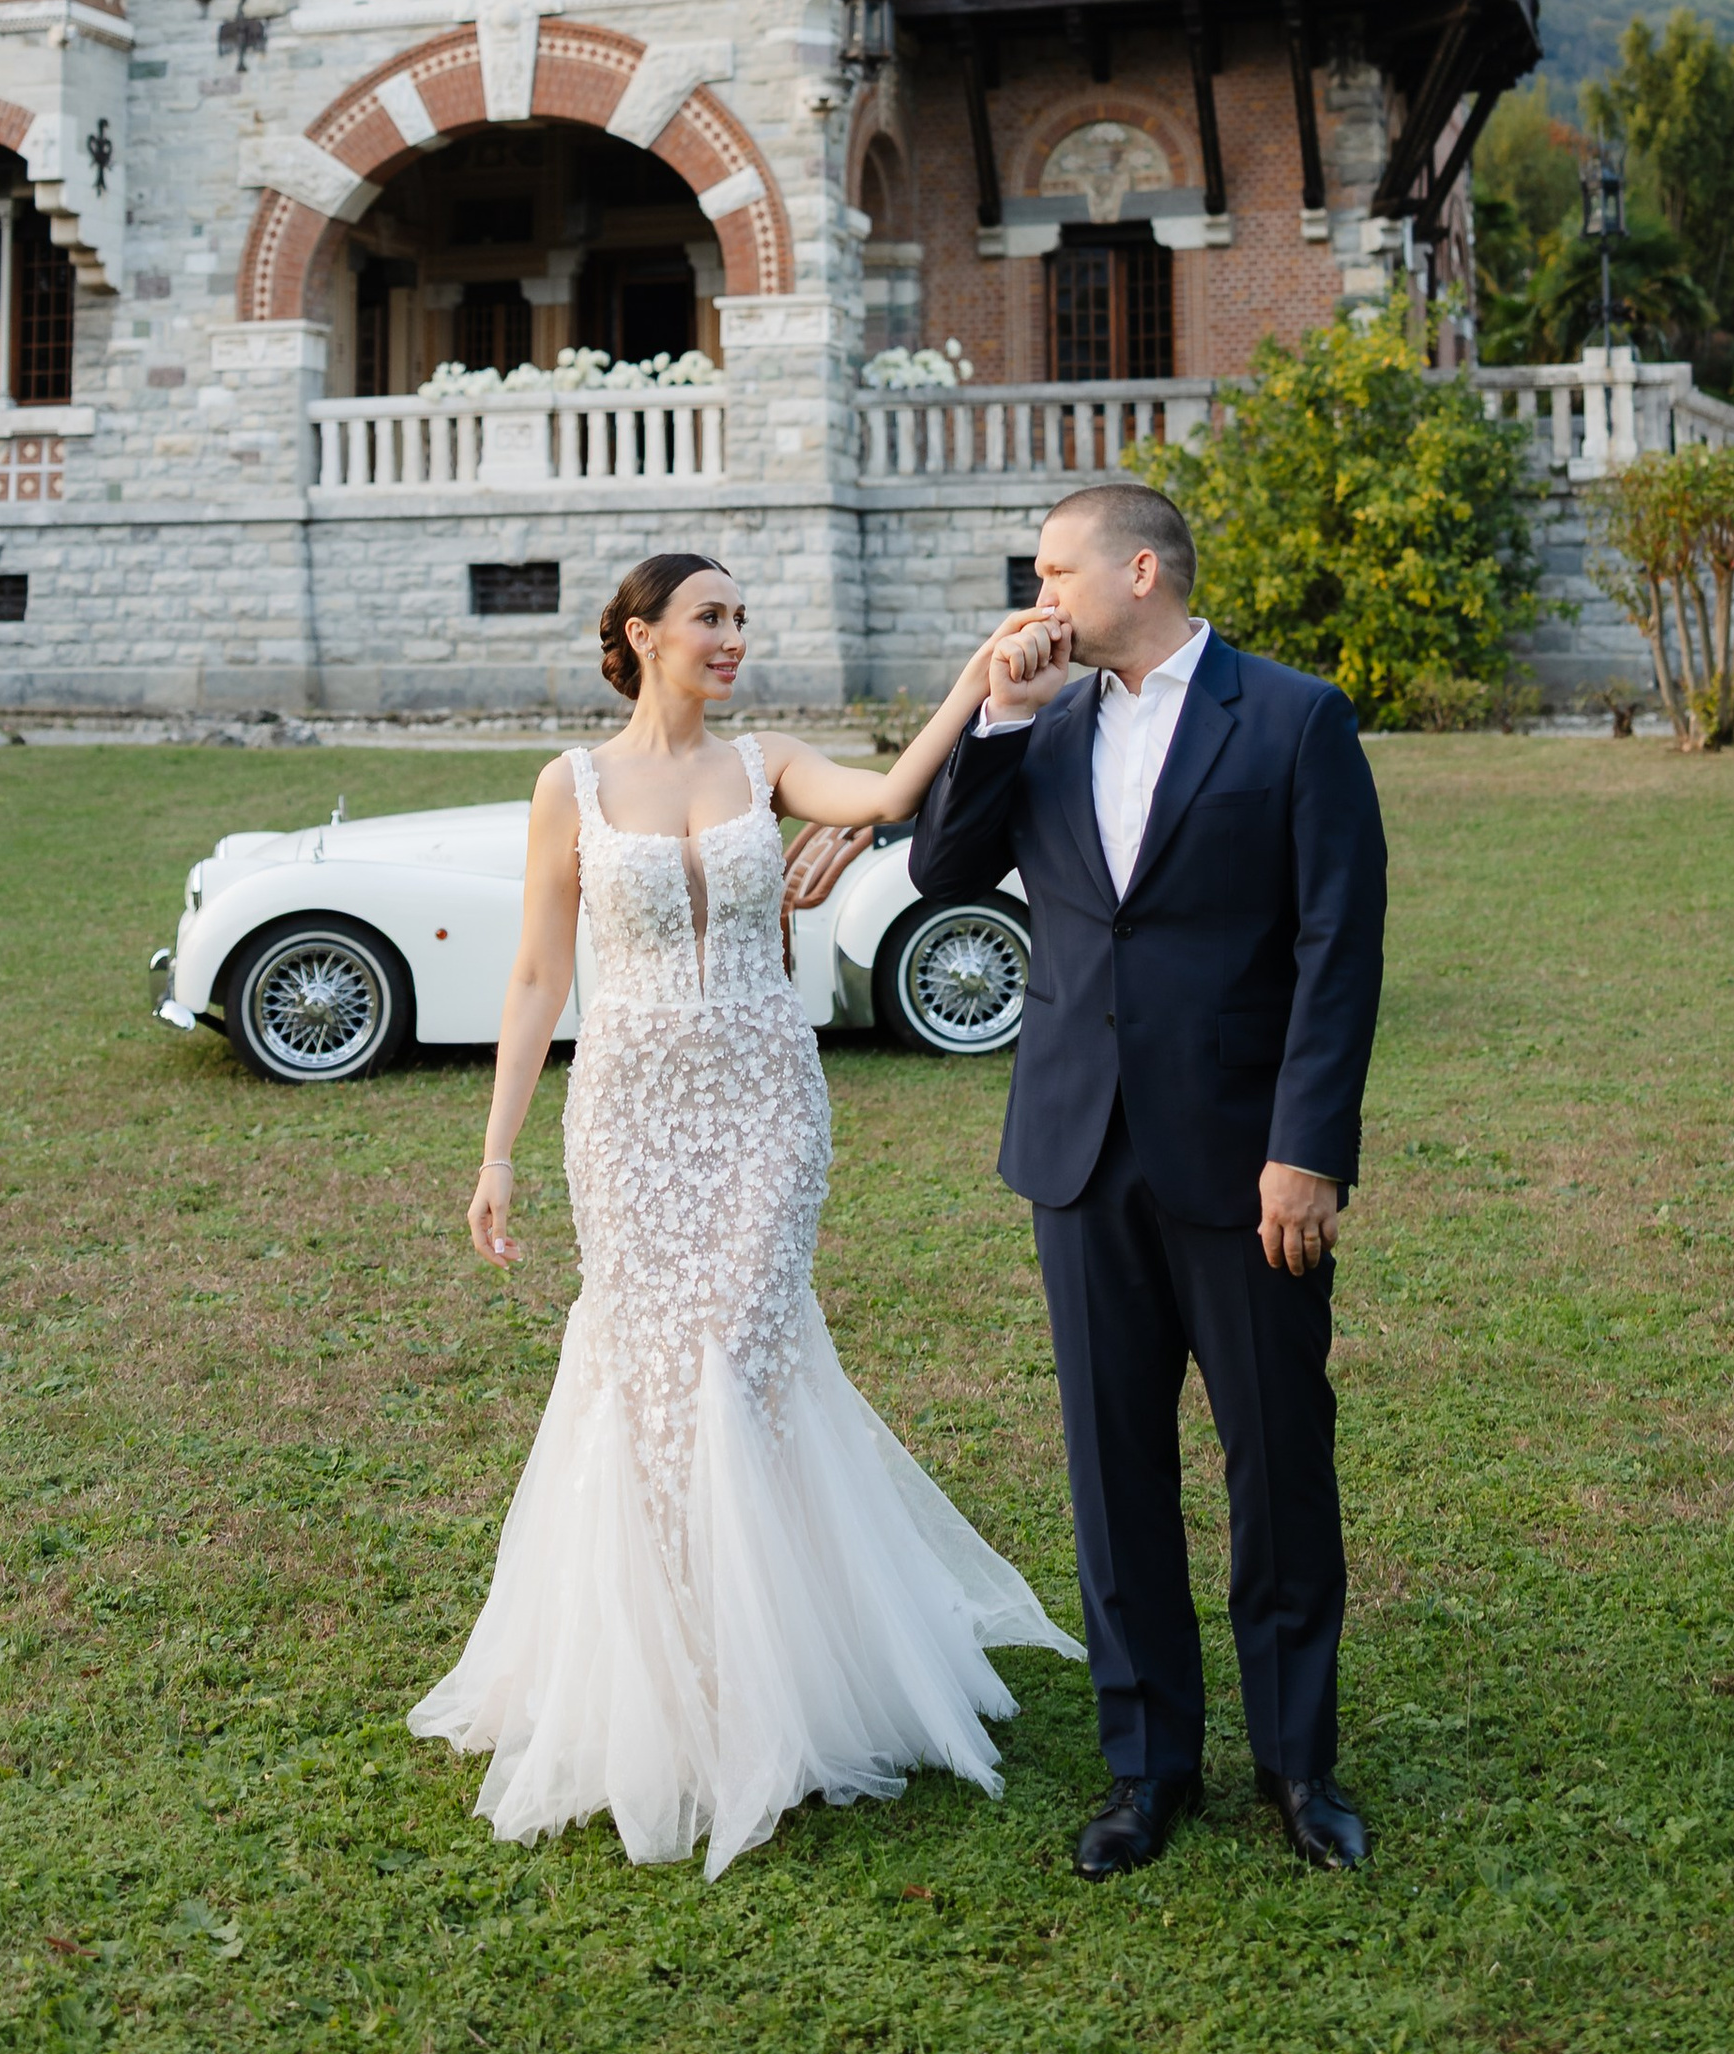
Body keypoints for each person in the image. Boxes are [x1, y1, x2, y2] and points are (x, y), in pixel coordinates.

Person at [410, 552, 1080, 1879]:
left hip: (766, 1099)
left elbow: (890, 797)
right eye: (710, 619)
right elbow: (541, 968)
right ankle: (670, 1679)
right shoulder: (573, 787)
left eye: (741, 620)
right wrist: (496, 1154)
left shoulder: (763, 760)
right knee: (648, 1382)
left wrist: (975, 677)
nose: (734, 638)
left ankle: (778, 1678)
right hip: (629, 1114)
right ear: (642, 634)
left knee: (738, 1352)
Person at [909, 480, 1387, 1879]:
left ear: (1139, 570)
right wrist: (995, 713)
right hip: (1077, 1148)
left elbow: (1335, 948)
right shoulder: (1043, 722)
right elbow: (942, 866)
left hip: (1244, 1164)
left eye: (1056, 570)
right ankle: (1146, 1767)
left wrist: (1306, 1151)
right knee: (1112, 1473)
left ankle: (1299, 1767)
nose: (1038, 594)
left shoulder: (1294, 718)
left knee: (1278, 1461)